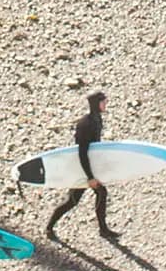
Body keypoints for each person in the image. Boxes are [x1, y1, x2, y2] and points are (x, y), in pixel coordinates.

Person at [46, 90, 119, 240]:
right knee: (72, 201)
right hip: (82, 168)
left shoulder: (97, 119)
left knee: (100, 194)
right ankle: (49, 227)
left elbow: (95, 149)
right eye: (104, 102)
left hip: (91, 166)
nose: (106, 104)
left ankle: (103, 229)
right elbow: (82, 153)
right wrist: (90, 176)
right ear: (97, 104)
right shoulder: (85, 124)